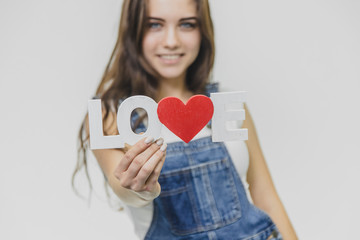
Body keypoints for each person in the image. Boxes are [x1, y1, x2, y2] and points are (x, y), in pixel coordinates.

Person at [73, 0, 298, 239]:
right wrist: (142, 188)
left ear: (202, 30)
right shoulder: (110, 115)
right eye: (154, 25)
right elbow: (123, 188)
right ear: (134, 29)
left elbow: (266, 198)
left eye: (187, 25)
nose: (171, 41)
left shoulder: (227, 105)